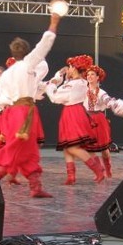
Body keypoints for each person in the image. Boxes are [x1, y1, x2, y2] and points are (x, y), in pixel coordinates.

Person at [0, 10, 62, 198]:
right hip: (23, 111)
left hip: (13, 111)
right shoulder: (28, 64)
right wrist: (53, 23)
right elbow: (44, 45)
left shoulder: (7, 73)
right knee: (21, 144)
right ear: (26, 52)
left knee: (27, 147)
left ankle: (34, 186)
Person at [45, 55, 105, 185]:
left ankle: (98, 169)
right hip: (76, 112)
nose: (69, 69)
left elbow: (55, 97)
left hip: (72, 114)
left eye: (71, 67)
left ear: (75, 68)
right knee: (68, 147)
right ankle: (71, 176)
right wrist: (63, 79)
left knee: (72, 147)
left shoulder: (73, 85)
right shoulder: (81, 83)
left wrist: (51, 85)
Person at [83, 64, 123, 178]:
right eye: (88, 74)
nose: (89, 76)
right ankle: (99, 169)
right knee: (88, 148)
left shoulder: (101, 92)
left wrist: (118, 109)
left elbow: (109, 101)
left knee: (104, 148)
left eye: (92, 74)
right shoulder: (83, 89)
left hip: (98, 119)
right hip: (86, 119)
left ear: (98, 77)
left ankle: (108, 169)